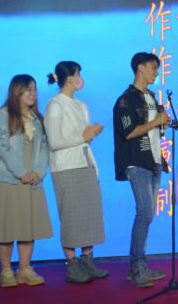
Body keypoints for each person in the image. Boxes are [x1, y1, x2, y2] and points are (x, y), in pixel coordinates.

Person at [0, 74, 52, 287]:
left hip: (31, 179)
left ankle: (25, 269)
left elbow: (44, 147)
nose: (33, 94)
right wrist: (21, 172)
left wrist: (38, 172)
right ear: (17, 91)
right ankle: (6, 271)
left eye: (35, 90)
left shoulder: (37, 118)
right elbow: (2, 147)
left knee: (27, 225)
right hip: (7, 178)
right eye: (28, 89)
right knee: (4, 225)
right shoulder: (2, 114)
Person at [44, 61, 108, 283]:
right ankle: (72, 264)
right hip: (66, 166)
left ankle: (87, 259)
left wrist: (90, 134)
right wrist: (84, 136)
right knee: (71, 216)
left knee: (90, 213)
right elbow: (55, 142)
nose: (81, 78)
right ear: (69, 78)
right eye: (78, 74)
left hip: (85, 162)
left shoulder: (81, 105)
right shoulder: (55, 105)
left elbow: (83, 137)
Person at [113, 52, 170, 288]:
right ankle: (137, 266)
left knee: (148, 214)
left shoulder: (152, 97)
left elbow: (155, 131)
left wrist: (162, 124)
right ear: (140, 67)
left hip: (154, 161)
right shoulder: (126, 100)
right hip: (137, 162)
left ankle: (138, 265)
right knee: (144, 213)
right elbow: (129, 132)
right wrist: (156, 121)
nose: (156, 72)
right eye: (153, 67)